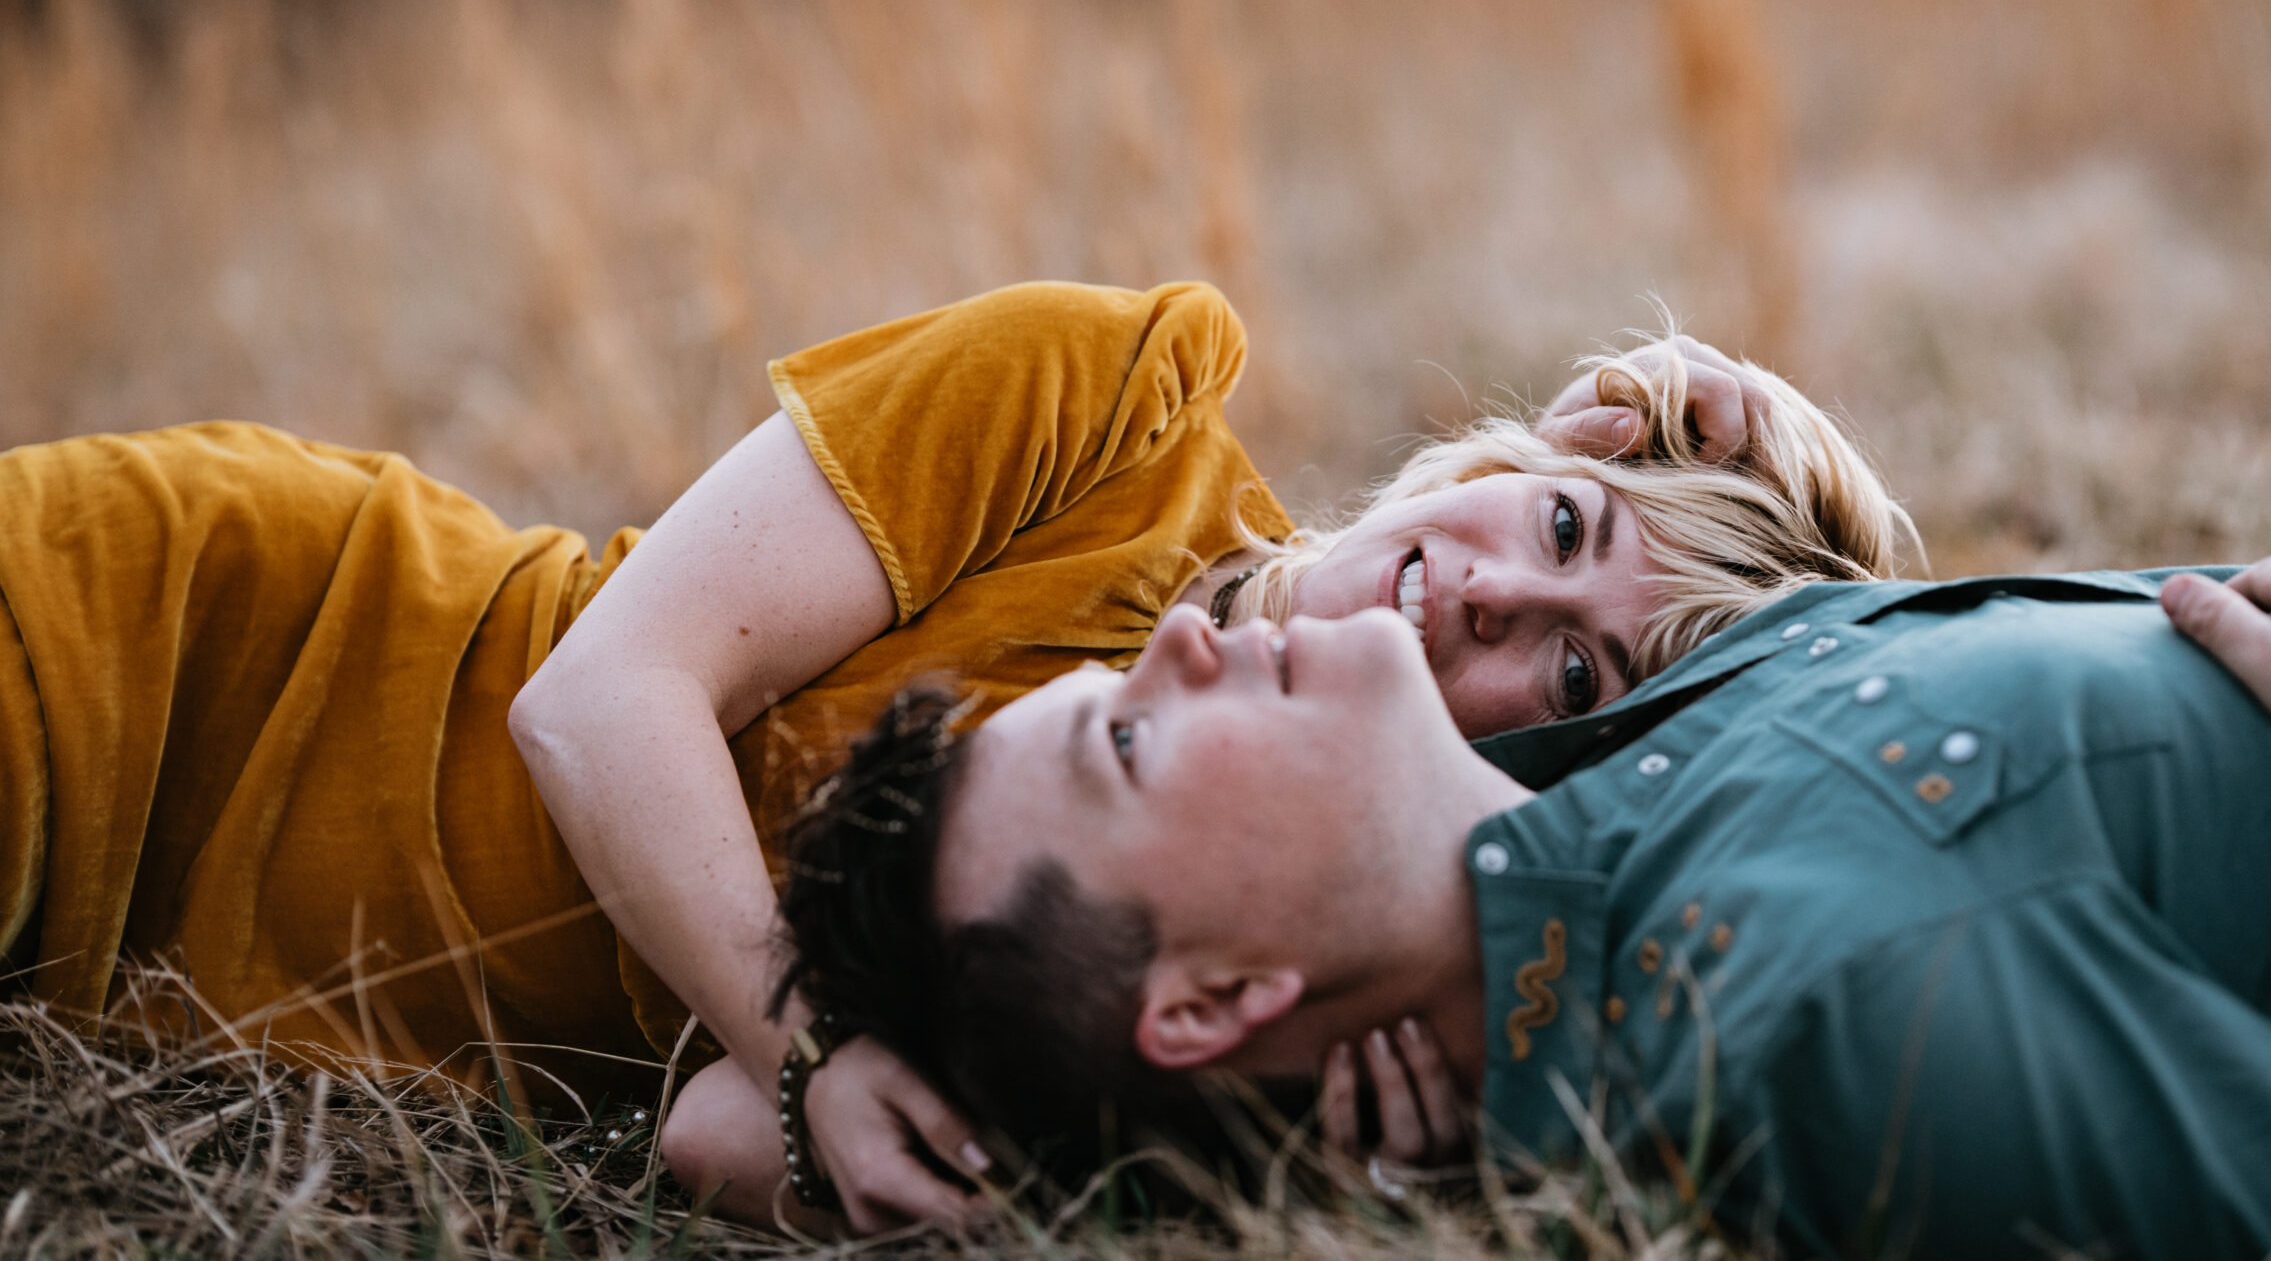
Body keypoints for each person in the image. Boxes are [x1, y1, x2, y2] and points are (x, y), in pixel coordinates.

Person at [0, 279, 1906, 1226]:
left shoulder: (1249, 912)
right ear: (1536, 454)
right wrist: (814, 1057)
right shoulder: (1116, 403)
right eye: (1565, 524)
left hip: (182, 972)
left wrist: (1298, 1182)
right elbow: (596, 698)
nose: (1494, 596)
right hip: (205, 646)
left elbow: (712, 1139)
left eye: (1574, 674)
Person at [783, 555, 2271, 1259]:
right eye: (1129, 740)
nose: (1180, 633)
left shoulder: (1608, 758)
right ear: (1214, 997)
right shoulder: (1834, 1009)